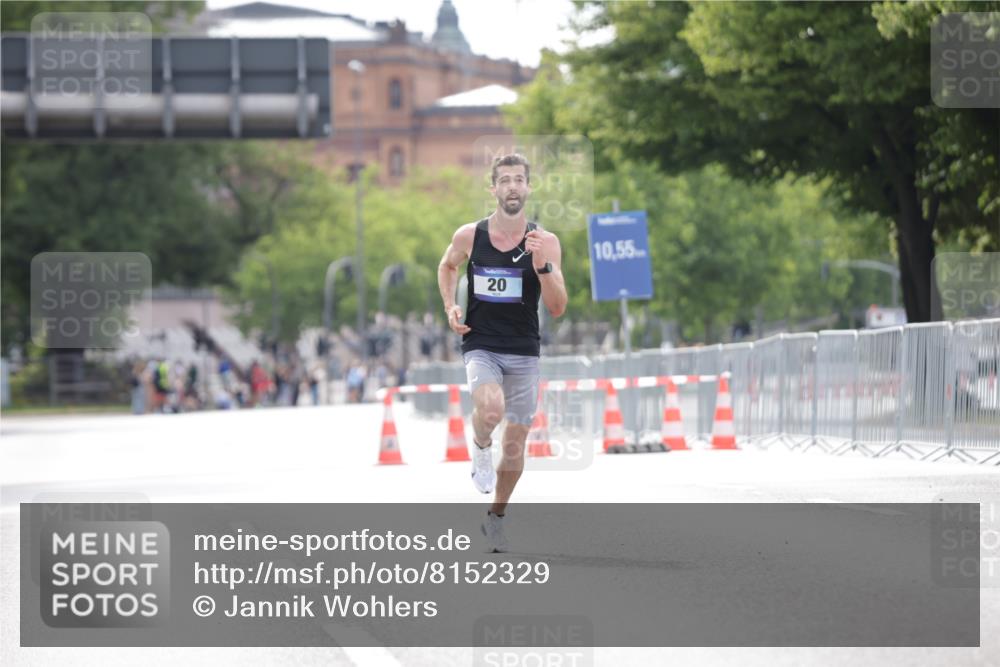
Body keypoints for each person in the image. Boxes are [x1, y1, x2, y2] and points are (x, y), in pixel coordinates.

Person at [437, 153, 567, 552]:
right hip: (482, 343)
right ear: (492, 189)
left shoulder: (545, 242)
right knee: (490, 410)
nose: (512, 186)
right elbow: (447, 266)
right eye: (505, 180)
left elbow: (559, 306)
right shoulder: (470, 236)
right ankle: (478, 446)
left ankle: (496, 517)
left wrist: (542, 266)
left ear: (528, 188)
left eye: (519, 180)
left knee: (514, 443)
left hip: (524, 349)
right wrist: (450, 306)